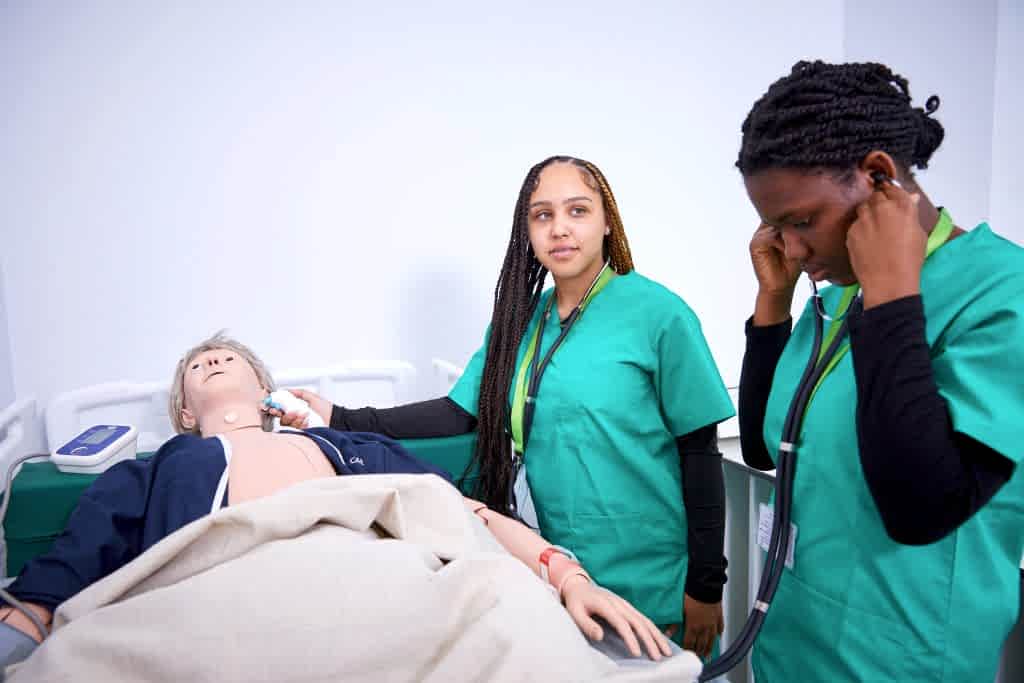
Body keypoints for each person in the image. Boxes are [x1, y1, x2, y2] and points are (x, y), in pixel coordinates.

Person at [274, 156, 736, 658]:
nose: (559, 228)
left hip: (657, 586)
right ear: (528, 233)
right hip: (563, 577)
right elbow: (461, 413)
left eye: (577, 211)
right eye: (542, 216)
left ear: (607, 223)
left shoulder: (659, 315)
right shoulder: (521, 323)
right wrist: (340, 417)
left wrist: (706, 586)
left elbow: (700, 453)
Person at [0, 333, 672, 670]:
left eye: (228, 356)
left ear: (265, 385)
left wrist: (563, 572)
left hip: (363, 581)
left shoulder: (342, 446)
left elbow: (461, 510)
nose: (212, 360)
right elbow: (79, 551)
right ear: (182, 406)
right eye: (197, 364)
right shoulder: (159, 467)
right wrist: (28, 615)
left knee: (506, 602)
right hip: (216, 597)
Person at [736, 60, 1024, 682]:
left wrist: (894, 292)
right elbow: (765, 447)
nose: (791, 248)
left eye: (803, 221)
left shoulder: (1005, 294)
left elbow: (922, 507)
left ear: (877, 177)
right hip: (792, 647)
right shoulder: (841, 293)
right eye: (776, 227)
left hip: (901, 661)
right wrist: (773, 306)